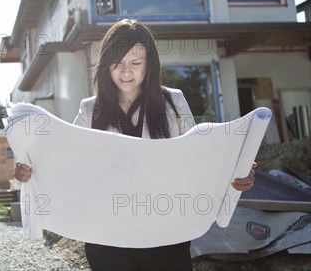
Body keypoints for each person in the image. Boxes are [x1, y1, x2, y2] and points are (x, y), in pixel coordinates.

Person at [14, 19, 256, 271]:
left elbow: (198, 159)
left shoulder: (174, 102)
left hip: (165, 234)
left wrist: (235, 171)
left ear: (149, 64)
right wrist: (29, 170)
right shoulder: (90, 110)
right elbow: (67, 166)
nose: (126, 72)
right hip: (106, 236)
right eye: (117, 64)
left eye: (136, 63)